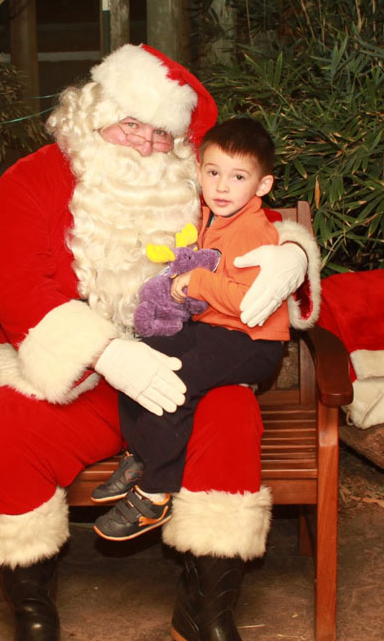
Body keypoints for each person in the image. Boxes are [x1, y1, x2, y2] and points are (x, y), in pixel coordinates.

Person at [0, 44, 321, 641]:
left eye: (162, 134)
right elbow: (16, 285)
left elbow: (247, 220)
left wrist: (293, 256)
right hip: (78, 375)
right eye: (131, 124)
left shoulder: (188, 180)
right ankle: (31, 608)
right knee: (11, 427)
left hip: (184, 370)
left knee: (231, 417)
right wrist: (106, 352)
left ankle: (205, 610)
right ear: (94, 112)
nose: (144, 144)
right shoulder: (31, 180)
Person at [92, 117, 296, 542]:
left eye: (238, 177)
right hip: (215, 330)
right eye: (214, 172)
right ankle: (140, 454)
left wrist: (196, 282)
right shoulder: (209, 215)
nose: (222, 186)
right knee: (142, 354)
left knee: (173, 382)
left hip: (251, 341)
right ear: (199, 171)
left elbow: (247, 301)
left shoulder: (254, 231)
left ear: (262, 186)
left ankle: (156, 492)